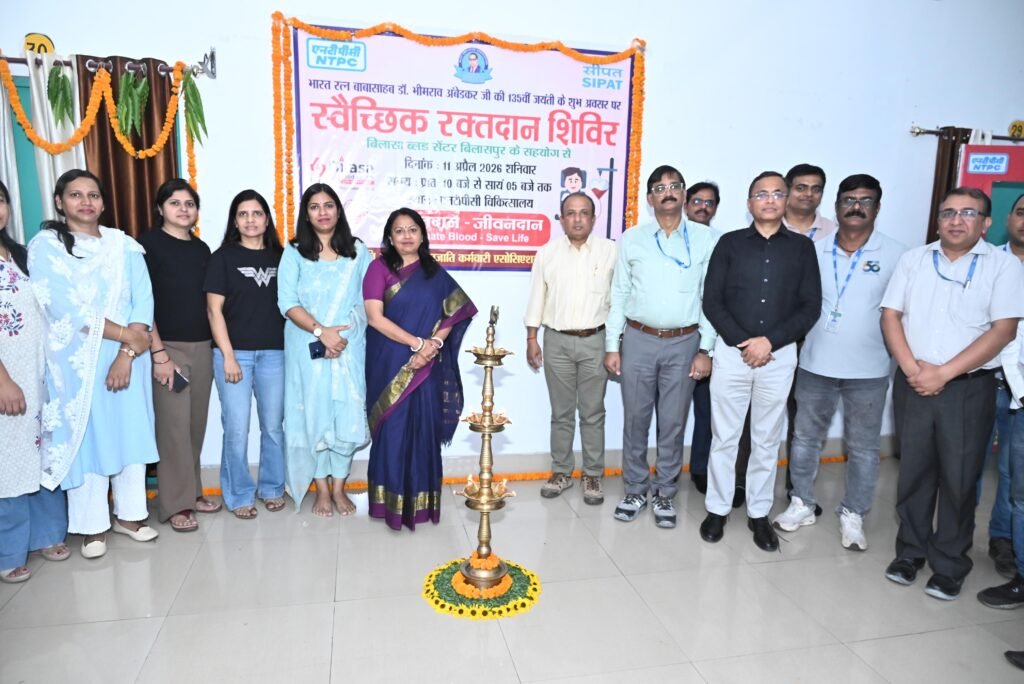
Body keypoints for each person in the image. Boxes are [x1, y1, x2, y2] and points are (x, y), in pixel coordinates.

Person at [881, 187, 1023, 600]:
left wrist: (943, 373)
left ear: (986, 222)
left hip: (967, 389)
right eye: (948, 213)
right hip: (913, 382)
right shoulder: (914, 259)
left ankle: (949, 564)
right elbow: (891, 316)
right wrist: (913, 370)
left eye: (968, 213)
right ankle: (910, 552)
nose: (956, 220)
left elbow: (1004, 330)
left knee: (960, 480)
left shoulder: (1003, 266)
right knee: (913, 472)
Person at [28, 169, 159, 559]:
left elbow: (143, 300)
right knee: (87, 437)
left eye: (93, 195)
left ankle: (131, 516)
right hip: (77, 362)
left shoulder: (123, 245)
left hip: (128, 358)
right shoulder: (47, 247)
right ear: (59, 202)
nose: (86, 202)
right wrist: (126, 337)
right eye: (75, 195)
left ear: (103, 202)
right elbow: (63, 306)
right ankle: (91, 526)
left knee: (129, 432)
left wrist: (127, 353)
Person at [771, 174, 905, 550]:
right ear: (837, 206)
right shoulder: (813, 250)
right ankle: (801, 502)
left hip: (869, 369)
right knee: (805, 438)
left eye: (865, 201)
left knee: (863, 447)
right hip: (815, 364)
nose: (856, 207)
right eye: (849, 200)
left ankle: (854, 512)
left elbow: (904, 313)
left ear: (877, 207)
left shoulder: (897, 255)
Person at [700, 171, 821, 551]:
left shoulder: (801, 248)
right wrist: (743, 342)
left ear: (786, 200)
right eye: (761, 194)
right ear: (749, 202)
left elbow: (810, 306)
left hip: (778, 356)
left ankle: (758, 513)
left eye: (777, 194)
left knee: (767, 439)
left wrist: (769, 342)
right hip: (732, 354)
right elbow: (712, 300)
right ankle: (717, 509)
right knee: (725, 437)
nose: (769, 200)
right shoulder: (730, 244)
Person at [604, 165, 717, 528]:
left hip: (685, 342)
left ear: (684, 194)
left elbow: (710, 297)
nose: (667, 192)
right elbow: (619, 293)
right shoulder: (632, 239)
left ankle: (665, 492)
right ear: (650, 198)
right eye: (659, 188)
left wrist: (706, 349)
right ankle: (635, 489)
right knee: (635, 421)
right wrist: (612, 345)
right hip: (638, 339)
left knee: (672, 422)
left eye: (674, 186)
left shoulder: (706, 239)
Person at [364, 208, 477, 531]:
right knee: (393, 430)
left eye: (412, 229)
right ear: (389, 237)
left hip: (426, 365)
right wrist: (417, 344)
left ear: (422, 235)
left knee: (423, 429)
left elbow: (454, 313)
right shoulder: (378, 268)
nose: (406, 236)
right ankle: (388, 506)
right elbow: (375, 318)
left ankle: (422, 504)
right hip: (389, 361)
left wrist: (433, 346)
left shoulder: (433, 272)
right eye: (399, 230)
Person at [278, 184, 371, 517]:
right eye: (315, 206)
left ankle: (339, 488)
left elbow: (367, 301)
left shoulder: (358, 252)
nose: (323, 212)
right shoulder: (294, 252)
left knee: (345, 413)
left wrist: (340, 337)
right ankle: (320, 489)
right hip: (307, 344)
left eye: (328, 205)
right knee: (312, 413)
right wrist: (322, 334)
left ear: (338, 210)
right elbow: (287, 302)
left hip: (348, 345)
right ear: (306, 214)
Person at [137, 179, 219, 533]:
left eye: (189, 203)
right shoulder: (147, 245)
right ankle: (175, 504)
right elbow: (141, 302)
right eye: (175, 203)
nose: (183, 209)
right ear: (160, 208)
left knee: (194, 426)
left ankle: (193, 492)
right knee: (172, 429)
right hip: (167, 348)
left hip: (202, 347)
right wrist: (158, 354)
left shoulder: (201, 249)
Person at [525, 192, 616, 504]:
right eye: (571, 213)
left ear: (593, 218)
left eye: (584, 213)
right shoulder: (547, 253)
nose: (577, 219)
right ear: (562, 219)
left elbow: (619, 300)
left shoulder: (610, 252)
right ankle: (561, 471)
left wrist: (616, 345)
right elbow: (536, 297)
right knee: (561, 413)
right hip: (557, 342)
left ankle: (592, 474)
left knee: (593, 413)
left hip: (596, 341)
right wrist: (532, 338)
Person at [0, 179, 69, 582]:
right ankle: (9, 550)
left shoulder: (22, 254)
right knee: (9, 460)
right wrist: (3, 380)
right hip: (7, 376)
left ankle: (46, 535)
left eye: (0, 200)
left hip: (39, 372)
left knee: (43, 452)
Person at [205, 190, 286, 520]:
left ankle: (272, 488)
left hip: (275, 355)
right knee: (236, 429)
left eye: (257, 213)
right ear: (235, 221)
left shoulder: (283, 257)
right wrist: (228, 355)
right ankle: (239, 494)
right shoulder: (222, 258)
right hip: (234, 353)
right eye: (243, 214)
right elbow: (214, 310)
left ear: (267, 219)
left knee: (273, 427)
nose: (250, 220)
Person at [977, 193, 1024, 609]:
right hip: (981, 378)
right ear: (1008, 218)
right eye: (1022, 212)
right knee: (965, 466)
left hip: (1021, 391)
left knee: (1013, 473)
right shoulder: (986, 262)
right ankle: (955, 536)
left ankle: (1004, 540)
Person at [684, 181, 721, 494]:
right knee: (668, 412)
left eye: (709, 202)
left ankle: (699, 468)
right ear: (685, 205)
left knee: (707, 411)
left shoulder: (723, 244)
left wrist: (708, 346)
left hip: (709, 340)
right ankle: (665, 470)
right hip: (674, 337)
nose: (703, 207)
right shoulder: (670, 240)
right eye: (697, 201)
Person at [783, 163, 836, 242]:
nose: (809, 194)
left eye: (816, 189)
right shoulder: (771, 225)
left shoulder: (833, 230)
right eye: (801, 188)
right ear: (786, 190)